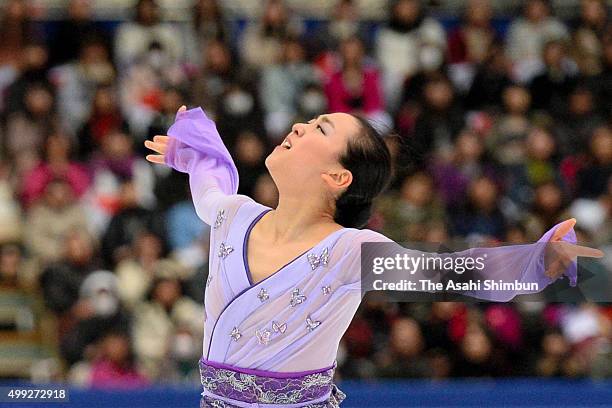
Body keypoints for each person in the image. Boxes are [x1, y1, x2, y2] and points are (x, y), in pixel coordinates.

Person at [144, 106, 603, 407]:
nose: (299, 125)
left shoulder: (349, 251)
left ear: (337, 176)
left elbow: (447, 274)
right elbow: (211, 184)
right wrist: (192, 150)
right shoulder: (233, 215)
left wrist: (536, 263)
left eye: (320, 128)